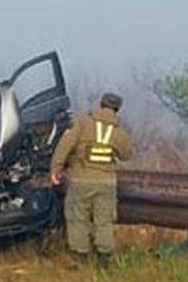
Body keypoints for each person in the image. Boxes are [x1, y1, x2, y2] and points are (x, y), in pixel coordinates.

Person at [50, 92, 133, 268]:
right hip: (107, 183)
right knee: (104, 221)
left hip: (81, 180)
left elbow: (65, 146)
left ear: (100, 104)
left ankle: (80, 258)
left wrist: (56, 169)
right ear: (117, 109)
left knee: (77, 218)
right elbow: (127, 155)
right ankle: (104, 259)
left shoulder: (82, 123)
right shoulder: (119, 132)